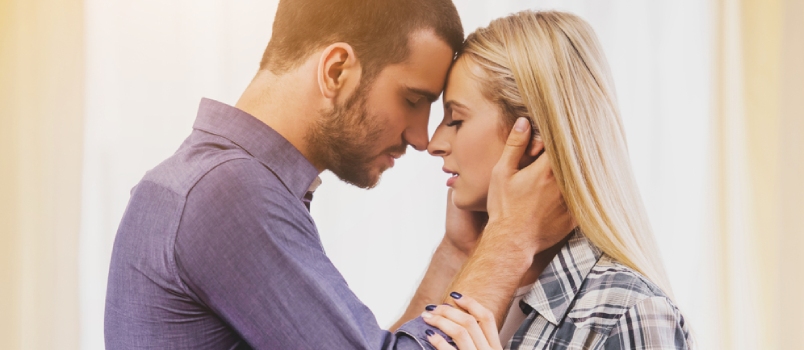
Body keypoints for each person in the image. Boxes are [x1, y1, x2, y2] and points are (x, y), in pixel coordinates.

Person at [104, 1, 575, 349]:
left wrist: (458, 251)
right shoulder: (225, 193)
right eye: (413, 100)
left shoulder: (209, 184)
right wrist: (512, 239)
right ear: (336, 71)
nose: (421, 137)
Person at [418, 11, 693, 349]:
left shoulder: (628, 311)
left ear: (530, 132)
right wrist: (459, 251)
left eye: (456, 119)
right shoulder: (472, 277)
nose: (433, 144)